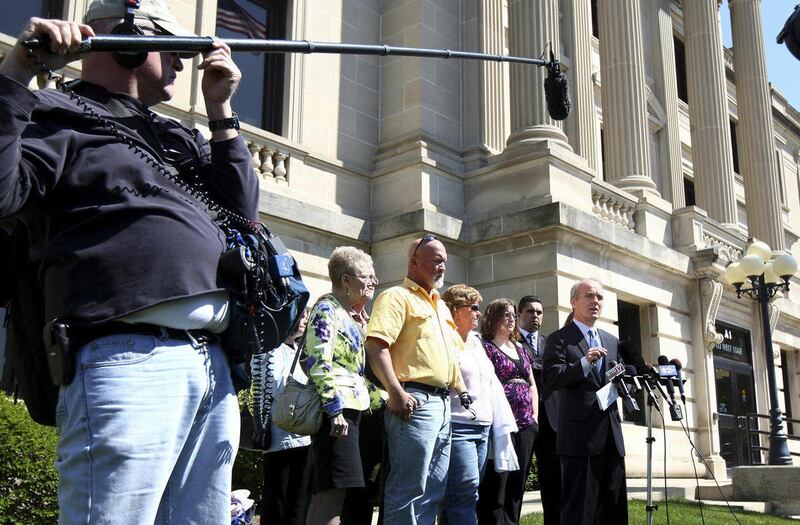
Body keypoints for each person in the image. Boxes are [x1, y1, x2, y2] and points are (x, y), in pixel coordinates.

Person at [0, 0, 256, 523]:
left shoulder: (179, 136)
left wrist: (221, 113)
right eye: (174, 47)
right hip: (126, 357)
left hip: (212, 366)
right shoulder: (54, 114)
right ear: (131, 40)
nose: (185, 63)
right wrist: (18, 72)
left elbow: (242, 215)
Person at [365, 234, 467, 525]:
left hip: (443, 404)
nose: (442, 267)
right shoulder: (396, 297)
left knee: (432, 491)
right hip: (415, 403)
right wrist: (395, 392)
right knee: (407, 489)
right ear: (413, 262)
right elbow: (376, 346)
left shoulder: (442, 307)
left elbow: (450, 359)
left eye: (444, 262)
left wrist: (461, 391)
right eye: (436, 260)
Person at [305, 246, 385, 525]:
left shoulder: (345, 314)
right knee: (331, 500)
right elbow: (318, 360)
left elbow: (356, 374)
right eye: (367, 276)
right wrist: (334, 409)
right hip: (337, 416)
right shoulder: (327, 308)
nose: (373, 282)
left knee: (327, 496)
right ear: (346, 280)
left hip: (348, 412)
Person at [542, 278, 627, 525]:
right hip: (579, 438)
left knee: (613, 508)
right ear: (573, 302)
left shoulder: (611, 340)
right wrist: (582, 363)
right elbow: (550, 379)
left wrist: (626, 380)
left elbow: (616, 380)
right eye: (589, 296)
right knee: (580, 510)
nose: (595, 302)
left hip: (611, 435)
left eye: (599, 297)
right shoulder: (559, 339)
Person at [439, 284, 517, 525]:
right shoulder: (444, 338)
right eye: (472, 307)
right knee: (464, 492)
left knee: (468, 494)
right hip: (458, 425)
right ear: (455, 310)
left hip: (483, 427)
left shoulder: (476, 340)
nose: (478, 313)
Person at [477, 299, 538, 525]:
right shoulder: (485, 347)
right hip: (499, 424)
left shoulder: (521, 348)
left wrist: (535, 419)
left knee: (516, 486)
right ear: (493, 318)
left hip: (525, 424)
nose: (512, 319)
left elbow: (532, 384)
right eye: (506, 315)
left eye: (513, 315)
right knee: (496, 485)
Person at [259, 309, 312, 525]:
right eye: (301, 316)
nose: (305, 321)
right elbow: (277, 387)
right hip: (282, 437)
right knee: (278, 499)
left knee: (299, 501)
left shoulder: (299, 350)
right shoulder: (272, 349)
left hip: (304, 433)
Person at [517, 295, 560, 525]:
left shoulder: (550, 343)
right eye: (530, 311)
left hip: (551, 420)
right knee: (517, 479)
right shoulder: (511, 343)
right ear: (519, 315)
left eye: (539, 312)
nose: (536, 316)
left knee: (553, 480)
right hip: (523, 419)